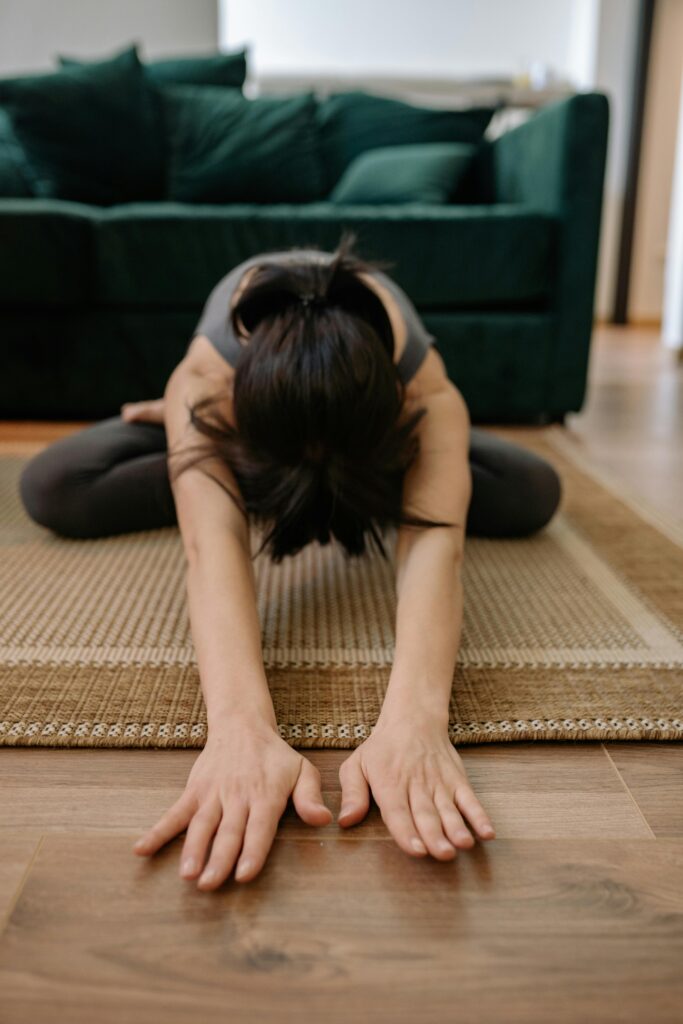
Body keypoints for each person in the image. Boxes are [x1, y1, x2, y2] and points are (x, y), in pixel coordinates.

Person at [18, 230, 562, 889]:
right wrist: (239, 729)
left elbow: (435, 550)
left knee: (533, 490)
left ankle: (327, 472)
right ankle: (224, 449)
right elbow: (209, 552)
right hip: (247, 438)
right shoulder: (208, 379)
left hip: (372, 451)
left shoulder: (419, 385)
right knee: (53, 485)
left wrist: (415, 723)